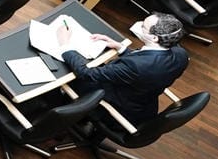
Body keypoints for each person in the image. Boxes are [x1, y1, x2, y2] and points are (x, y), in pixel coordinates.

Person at [60, 12, 188, 129]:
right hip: (141, 105)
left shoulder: (135, 66)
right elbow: (149, 62)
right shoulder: (181, 54)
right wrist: (120, 47)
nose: (139, 24)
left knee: (64, 78)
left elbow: (86, 74)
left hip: (117, 109)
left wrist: (65, 45)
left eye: (143, 26)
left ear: (154, 38)